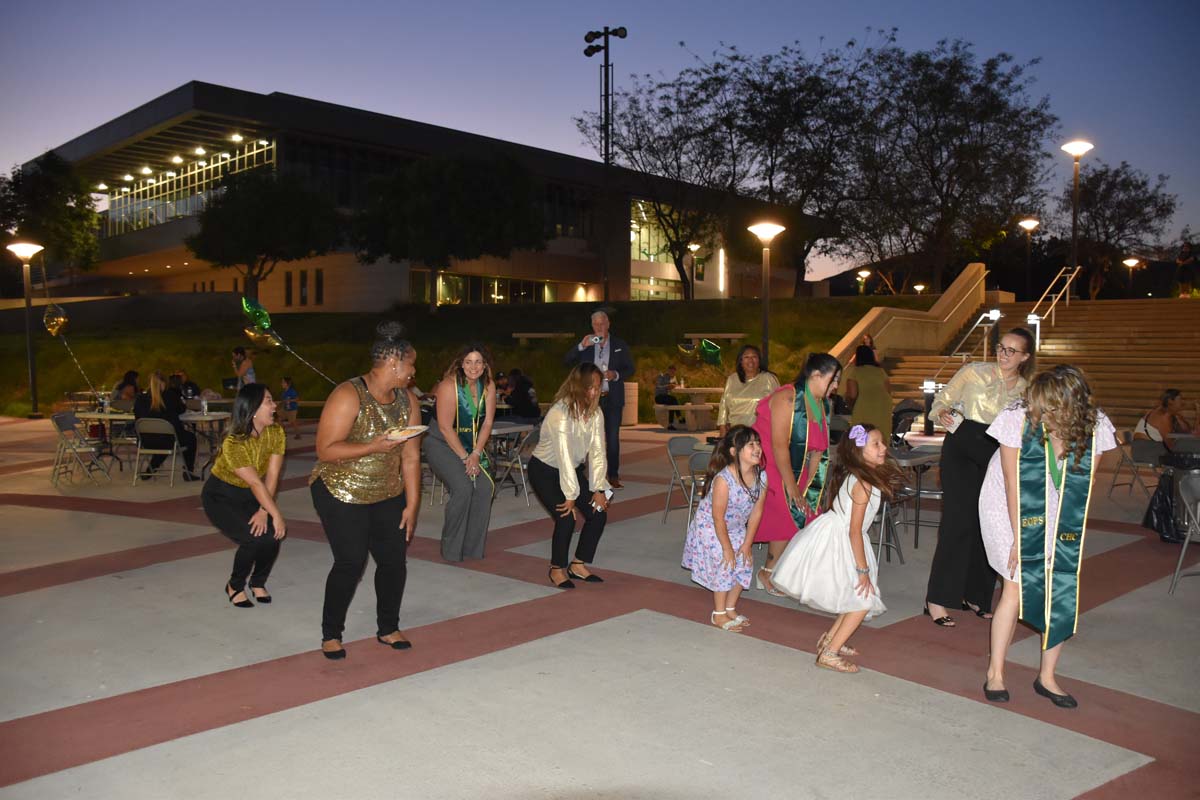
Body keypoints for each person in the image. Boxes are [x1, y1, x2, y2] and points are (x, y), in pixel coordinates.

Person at [981, 366, 1117, 707]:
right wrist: (1018, 538)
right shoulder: (1018, 417)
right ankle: (995, 672)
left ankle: (1047, 677)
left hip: (1055, 499)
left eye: (1050, 409)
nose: (1040, 415)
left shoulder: (1096, 425)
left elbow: (1081, 488)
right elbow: (1013, 484)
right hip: (1005, 500)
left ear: (1071, 407)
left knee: (1060, 583)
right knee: (1015, 582)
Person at [310, 322, 423, 660]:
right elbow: (325, 450)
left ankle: (388, 627)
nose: (414, 371)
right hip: (340, 488)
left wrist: (412, 504)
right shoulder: (348, 395)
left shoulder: (407, 400)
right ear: (394, 364)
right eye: (411, 364)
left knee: (393, 561)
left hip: (387, 490)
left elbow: (412, 456)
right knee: (351, 560)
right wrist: (372, 447)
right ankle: (331, 633)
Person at [924, 327, 1035, 627]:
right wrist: (943, 411)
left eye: (1012, 350)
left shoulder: (1026, 389)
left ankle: (976, 595)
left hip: (997, 452)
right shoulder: (973, 371)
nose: (1004, 354)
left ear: (1025, 357)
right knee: (957, 521)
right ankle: (938, 598)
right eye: (1001, 347)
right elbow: (940, 401)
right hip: (962, 442)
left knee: (989, 524)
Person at [771, 424, 903, 672]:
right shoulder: (864, 484)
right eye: (875, 444)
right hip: (843, 540)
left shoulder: (859, 476)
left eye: (882, 442)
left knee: (851, 597)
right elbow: (854, 530)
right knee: (862, 600)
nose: (883, 447)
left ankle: (831, 640)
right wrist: (862, 569)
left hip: (838, 534)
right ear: (859, 451)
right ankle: (830, 653)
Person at [751, 352, 842, 596]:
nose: (835, 387)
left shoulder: (821, 404)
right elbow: (779, 445)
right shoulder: (787, 398)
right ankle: (767, 573)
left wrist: (809, 488)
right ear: (815, 375)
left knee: (808, 512)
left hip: (797, 468)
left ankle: (787, 571)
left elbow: (818, 452)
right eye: (832, 381)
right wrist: (791, 489)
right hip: (770, 465)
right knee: (787, 513)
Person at [201, 383, 287, 608]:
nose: (274, 405)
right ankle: (235, 585)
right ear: (253, 408)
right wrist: (274, 513)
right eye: (269, 401)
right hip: (221, 495)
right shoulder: (234, 442)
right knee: (252, 538)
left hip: (251, 494)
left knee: (271, 536)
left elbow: (273, 474)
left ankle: (258, 582)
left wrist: (263, 510)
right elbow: (255, 481)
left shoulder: (276, 432)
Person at [529, 363, 611, 589]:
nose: (593, 392)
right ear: (577, 386)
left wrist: (600, 489)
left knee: (598, 512)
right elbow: (563, 455)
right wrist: (571, 496)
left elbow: (597, 452)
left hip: (571, 471)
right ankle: (557, 568)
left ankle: (577, 564)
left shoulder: (595, 413)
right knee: (566, 518)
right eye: (589, 387)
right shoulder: (560, 413)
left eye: (597, 387)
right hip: (544, 470)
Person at [681, 425, 767, 632]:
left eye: (758, 443)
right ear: (733, 452)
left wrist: (747, 544)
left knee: (745, 562)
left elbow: (756, 513)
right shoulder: (723, 480)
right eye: (750, 445)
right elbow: (718, 518)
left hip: (736, 527)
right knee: (726, 563)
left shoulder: (761, 477)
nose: (757, 448)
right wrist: (727, 548)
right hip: (710, 525)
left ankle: (730, 607)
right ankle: (718, 614)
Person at [423, 344, 497, 562]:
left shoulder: (489, 387)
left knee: (484, 487)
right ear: (460, 364)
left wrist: (475, 454)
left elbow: (488, 422)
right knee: (463, 487)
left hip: (470, 447)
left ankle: (472, 548)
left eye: (478, 362)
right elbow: (445, 427)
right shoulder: (448, 386)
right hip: (441, 443)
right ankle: (451, 548)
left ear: (485, 365)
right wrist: (466, 458)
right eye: (468, 362)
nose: (473, 367)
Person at [565, 309, 633, 488]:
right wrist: (581, 345)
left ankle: (613, 475)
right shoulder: (587, 344)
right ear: (592, 326)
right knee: (585, 437)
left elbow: (630, 368)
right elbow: (567, 360)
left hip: (613, 398)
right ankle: (583, 475)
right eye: (596, 324)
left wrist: (615, 374)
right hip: (590, 400)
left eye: (602, 323)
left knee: (612, 438)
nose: (599, 327)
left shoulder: (619, 344)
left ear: (608, 324)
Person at [133, 370, 199, 480]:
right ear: (163, 383)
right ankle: (188, 472)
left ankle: (150, 471)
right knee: (190, 438)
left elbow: (137, 415)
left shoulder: (140, 399)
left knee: (161, 439)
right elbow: (181, 409)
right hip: (169, 439)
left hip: (145, 441)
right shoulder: (170, 396)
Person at [717, 345, 779, 437]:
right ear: (741, 361)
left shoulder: (769, 379)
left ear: (759, 360)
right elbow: (724, 404)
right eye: (746, 357)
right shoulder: (732, 379)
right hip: (736, 432)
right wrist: (722, 428)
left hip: (761, 432)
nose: (751, 360)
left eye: (754, 357)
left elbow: (779, 405)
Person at [843, 345, 894, 442]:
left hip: (864, 407)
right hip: (883, 407)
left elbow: (852, 395)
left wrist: (850, 405)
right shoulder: (880, 371)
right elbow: (888, 391)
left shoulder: (855, 372)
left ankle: (860, 455)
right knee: (881, 437)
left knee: (860, 439)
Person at [1134, 389, 1199, 441]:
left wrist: (1198, 413)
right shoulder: (1162, 415)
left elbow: (1192, 434)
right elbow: (1169, 445)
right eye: (1180, 399)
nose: (1183, 402)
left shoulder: (1174, 415)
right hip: (1144, 448)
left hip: (1154, 447)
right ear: (1170, 401)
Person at [654, 365, 684, 430]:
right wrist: (667, 386)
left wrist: (677, 386)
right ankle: (679, 417)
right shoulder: (662, 377)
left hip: (667, 397)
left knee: (672, 401)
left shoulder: (674, 378)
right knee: (673, 400)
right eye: (671, 372)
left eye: (674, 372)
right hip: (659, 397)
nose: (672, 374)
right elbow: (658, 387)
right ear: (668, 371)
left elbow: (676, 385)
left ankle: (671, 424)